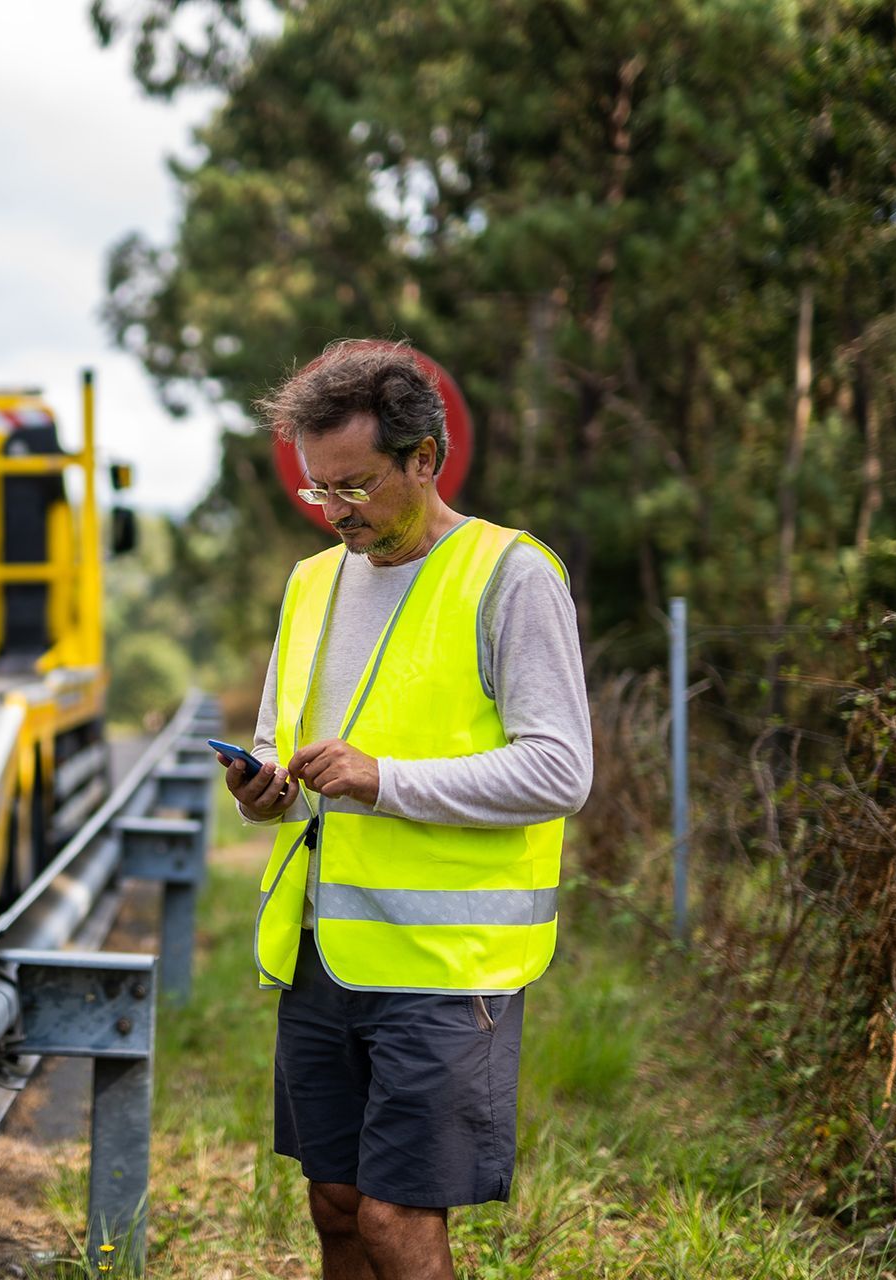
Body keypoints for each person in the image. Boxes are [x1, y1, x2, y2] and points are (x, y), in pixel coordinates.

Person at [222, 340, 592, 1280]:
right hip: (323, 952)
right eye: (318, 492)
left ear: (424, 458)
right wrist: (263, 786)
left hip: (447, 966)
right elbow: (279, 741)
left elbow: (559, 771)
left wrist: (384, 779)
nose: (334, 510)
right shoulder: (310, 584)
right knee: (335, 1205)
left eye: (353, 487)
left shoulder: (513, 577)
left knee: (393, 1217)